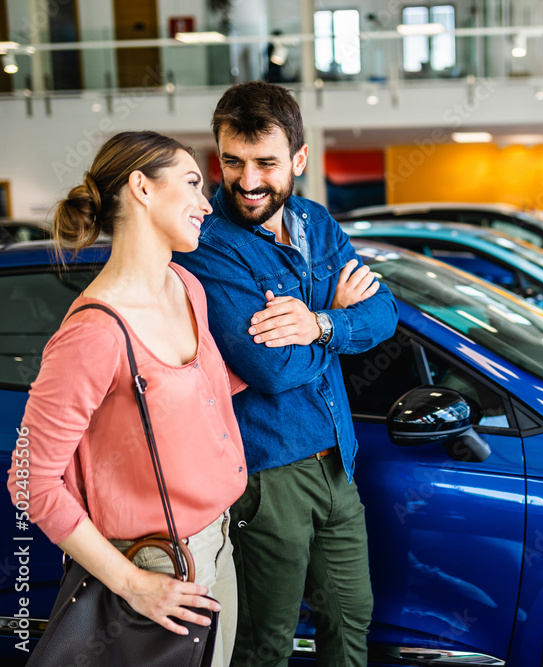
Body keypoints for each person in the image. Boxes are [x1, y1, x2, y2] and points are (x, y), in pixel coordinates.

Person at [173, 81, 398, 667]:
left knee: (350, 621)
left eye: (266, 163)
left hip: (338, 461)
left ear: (299, 159)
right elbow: (270, 368)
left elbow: (385, 312)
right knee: (264, 644)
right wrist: (341, 324)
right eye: (233, 162)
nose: (247, 181)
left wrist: (321, 323)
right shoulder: (207, 245)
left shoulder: (315, 222)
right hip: (269, 474)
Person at [8, 131, 248, 667]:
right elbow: (29, 481)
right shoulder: (93, 334)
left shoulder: (185, 285)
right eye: (192, 183)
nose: (207, 204)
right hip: (154, 566)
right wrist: (132, 583)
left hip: (216, 542)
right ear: (141, 187)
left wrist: (313, 328)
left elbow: (203, 395)